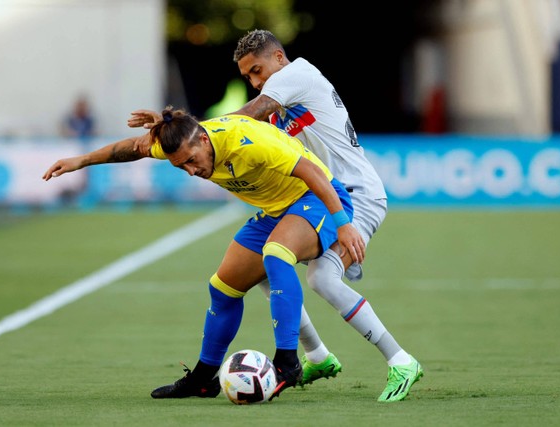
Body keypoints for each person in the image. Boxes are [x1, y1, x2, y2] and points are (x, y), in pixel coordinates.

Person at [128, 29, 423, 402]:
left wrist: (186, 127)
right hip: (317, 196)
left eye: (257, 70)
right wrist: (176, 131)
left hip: (353, 194)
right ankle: (317, 356)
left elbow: (244, 117)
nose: (254, 82)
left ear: (279, 58)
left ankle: (400, 360)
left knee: (323, 281)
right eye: (248, 77)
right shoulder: (281, 102)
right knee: (266, 269)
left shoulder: (295, 76)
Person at [43, 106, 366, 400]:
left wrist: (343, 224)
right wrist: (81, 160)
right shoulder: (181, 141)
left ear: (204, 139)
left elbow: (311, 171)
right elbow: (134, 147)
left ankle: (287, 362)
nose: (191, 171)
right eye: (180, 166)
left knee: (276, 254)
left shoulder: (246, 140)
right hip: (276, 209)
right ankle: (202, 378)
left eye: (191, 160)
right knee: (223, 288)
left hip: (318, 197)